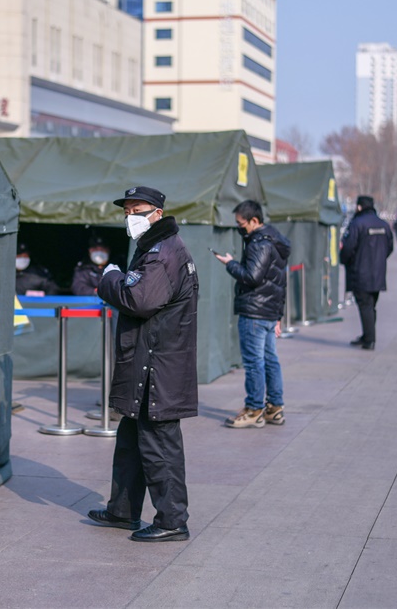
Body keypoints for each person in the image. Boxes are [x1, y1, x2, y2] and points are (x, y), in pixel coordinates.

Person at [87, 186, 199, 543]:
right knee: (131, 440)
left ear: (158, 214)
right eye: (127, 211)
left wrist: (109, 279)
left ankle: (171, 519)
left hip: (158, 368)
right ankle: (122, 510)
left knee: (159, 446)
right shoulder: (155, 249)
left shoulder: (163, 253)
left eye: (137, 210)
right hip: (148, 363)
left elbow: (138, 299)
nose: (130, 217)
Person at [214, 200, 291, 428]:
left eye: (241, 223)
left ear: (254, 221)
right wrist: (279, 313)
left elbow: (252, 276)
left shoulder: (259, 243)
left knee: (254, 362)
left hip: (254, 311)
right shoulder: (275, 240)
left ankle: (254, 408)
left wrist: (230, 264)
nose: (239, 227)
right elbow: (280, 282)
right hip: (268, 311)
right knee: (270, 360)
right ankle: (274, 408)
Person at [339, 196, 394, 351]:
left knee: (365, 305)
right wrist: (379, 260)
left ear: (359, 207)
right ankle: (367, 335)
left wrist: (345, 260)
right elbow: (390, 247)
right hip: (378, 273)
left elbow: (348, 248)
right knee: (371, 305)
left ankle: (369, 339)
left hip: (360, 272)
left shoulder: (357, 224)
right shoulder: (383, 225)